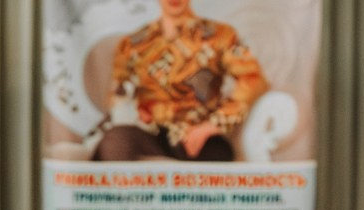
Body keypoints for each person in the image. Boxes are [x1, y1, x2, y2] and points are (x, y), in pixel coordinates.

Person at [94, 0, 265, 164]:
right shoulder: (132, 44)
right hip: (151, 135)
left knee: (216, 155)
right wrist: (133, 110)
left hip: (199, 139)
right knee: (115, 141)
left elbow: (253, 80)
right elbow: (118, 94)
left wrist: (212, 125)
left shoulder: (220, 35)